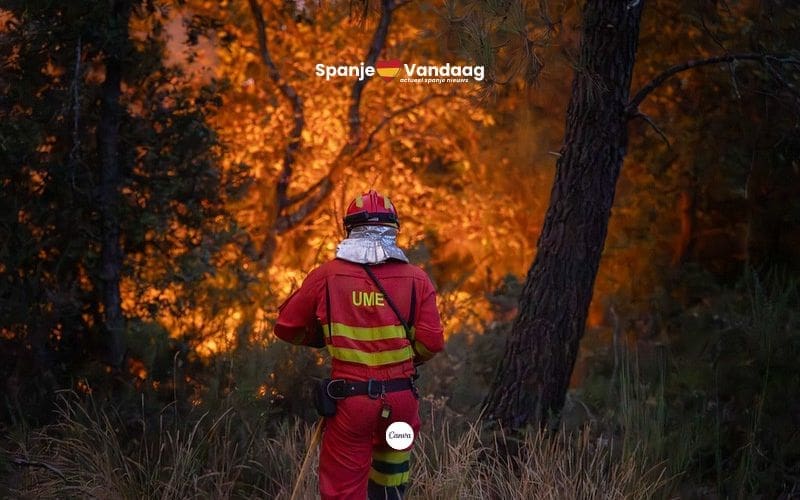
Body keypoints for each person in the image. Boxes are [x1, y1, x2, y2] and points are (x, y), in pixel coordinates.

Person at [274, 189, 444, 499]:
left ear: (350, 231)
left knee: (344, 491)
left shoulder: (326, 276)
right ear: (394, 230)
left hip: (352, 405)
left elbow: (287, 327)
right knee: (391, 487)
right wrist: (403, 360)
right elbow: (432, 342)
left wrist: (322, 338)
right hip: (402, 406)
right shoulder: (417, 279)